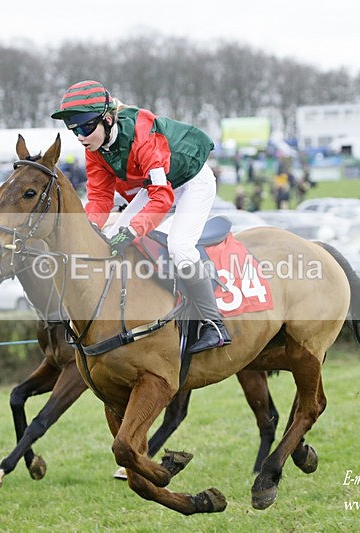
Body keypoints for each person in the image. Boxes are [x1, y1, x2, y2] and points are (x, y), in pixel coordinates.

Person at [50, 80, 230, 354]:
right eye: (73, 130)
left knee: (179, 247)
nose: (80, 137)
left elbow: (162, 197)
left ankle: (213, 323)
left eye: (85, 128)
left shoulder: (142, 133)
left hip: (193, 181)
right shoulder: (94, 150)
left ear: (107, 119)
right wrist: (83, 231)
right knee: (110, 239)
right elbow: (100, 200)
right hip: (157, 185)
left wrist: (133, 230)